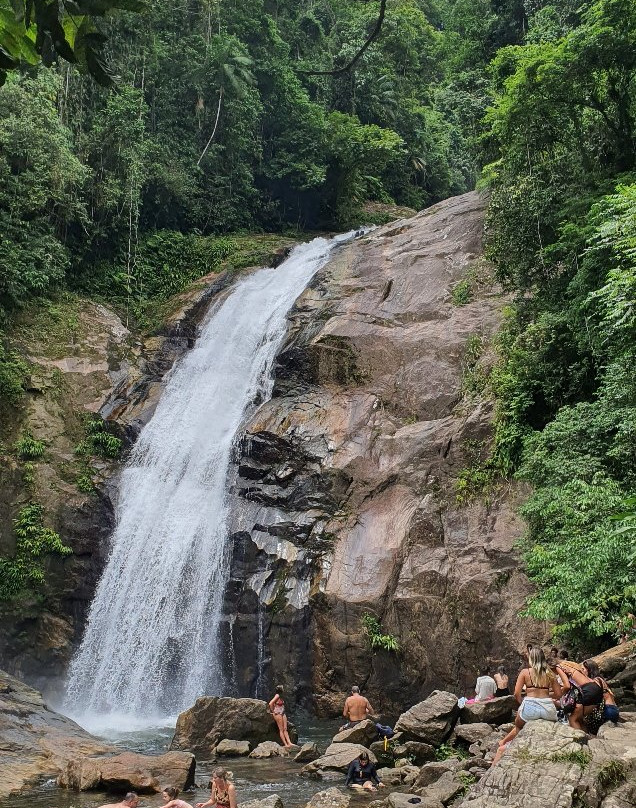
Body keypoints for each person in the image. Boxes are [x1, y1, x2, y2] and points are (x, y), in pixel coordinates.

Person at [492, 648, 564, 765]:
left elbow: (516, 693)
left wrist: (522, 702)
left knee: (519, 725)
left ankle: (515, 748)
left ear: (532, 659)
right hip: (548, 708)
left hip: (530, 706)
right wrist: (545, 694)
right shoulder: (549, 673)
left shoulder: (525, 672)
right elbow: (559, 694)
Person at [557, 658, 604, 732]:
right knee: (579, 719)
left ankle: (580, 739)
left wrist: (558, 695)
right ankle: (587, 736)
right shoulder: (574, 666)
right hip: (595, 691)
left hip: (587, 691)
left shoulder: (558, 666)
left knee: (573, 719)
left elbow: (567, 686)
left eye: (584, 669)